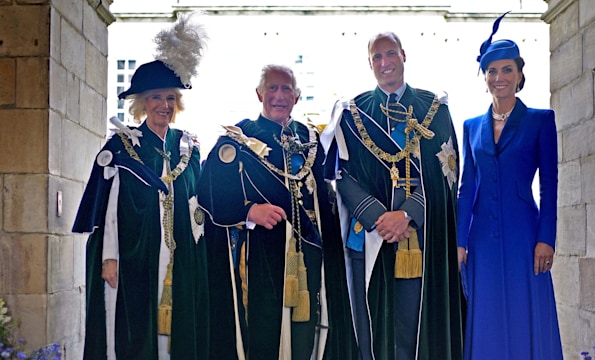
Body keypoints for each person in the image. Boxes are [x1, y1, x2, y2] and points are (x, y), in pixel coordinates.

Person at [72, 14, 209, 359]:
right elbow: (108, 210)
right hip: (136, 261)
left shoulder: (189, 148)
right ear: (141, 103)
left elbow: (200, 204)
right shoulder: (121, 147)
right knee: (136, 334)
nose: (164, 105)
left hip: (183, 260)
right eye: (156, 98)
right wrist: (109, 258)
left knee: (178, 332)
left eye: (170, 98)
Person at [197, 64, 357, 359]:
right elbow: (208, 194)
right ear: (259, 93)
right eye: (272, 88)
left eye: (286, 89)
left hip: (312, 258)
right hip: (261, 259)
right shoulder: (239, 139)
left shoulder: (310, 140)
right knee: (264, 335)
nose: (279, 96)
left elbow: (327, 198)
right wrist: (249, 211)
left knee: (310, 335)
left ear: (297, 97)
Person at [321, 32, 464, 360]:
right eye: (377, 57)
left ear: (403, 55)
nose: (384, 63)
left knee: (416, 324)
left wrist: (407, 215)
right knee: (373, 325)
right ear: (369, 63)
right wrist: (377, 218)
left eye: (390, 54)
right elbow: (341, 176)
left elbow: (449, 173)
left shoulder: (434, 108)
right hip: (370, 236)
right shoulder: (351, 112)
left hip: (420, 238)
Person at [456, 12, 563, 360]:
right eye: (492, 71)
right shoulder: (471, 126)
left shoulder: (540, 121)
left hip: (525, 237)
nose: (499, 77)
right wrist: (459, 242)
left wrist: (546, 237)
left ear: (519, 75)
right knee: (486, 314)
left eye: (506, 70)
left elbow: (550, 183)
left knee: (525, 310)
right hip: (482, 240)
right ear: (484, 77)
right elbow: (466, 188)